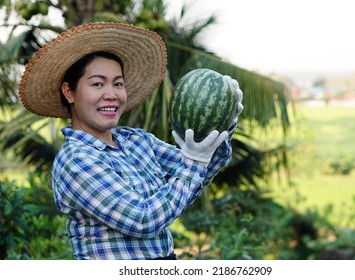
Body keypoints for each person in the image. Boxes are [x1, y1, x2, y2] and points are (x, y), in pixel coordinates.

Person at [18, 22, 243, 260]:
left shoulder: (136, 141)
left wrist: (223, 124)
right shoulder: (76, 160)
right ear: (69, 92)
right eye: (97, 84)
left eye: (118, 83)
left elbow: (199, 170)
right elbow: (142, 219)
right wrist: (195, 163)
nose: (111, 94)